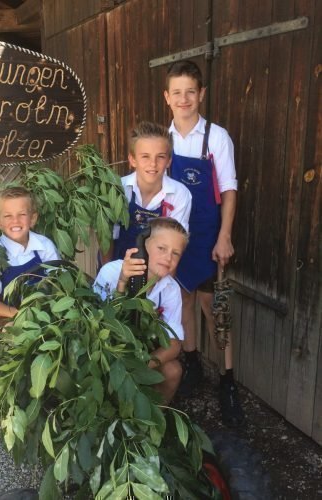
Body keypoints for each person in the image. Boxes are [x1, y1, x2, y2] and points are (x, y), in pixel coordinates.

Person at [164, 59, 244, 426]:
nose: (184, 99)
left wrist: (225, 236)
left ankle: (228, 382)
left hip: (211, 235)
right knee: (184, 301)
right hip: (179, 237)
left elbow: (228, 189)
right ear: (167, 97)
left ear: (201, 95)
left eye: (190, 92)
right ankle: (192, 364)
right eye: (177, 93)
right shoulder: (163, 140)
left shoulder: (216, 137)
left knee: (217, 309)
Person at [95, 217, 189, 404]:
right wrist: (122, 283)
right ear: (144, 247)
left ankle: (150, 425)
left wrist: (142, 366)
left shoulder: (171, 289)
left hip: (143, 354)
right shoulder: (111, 272)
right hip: (107, 350)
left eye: (176, 253)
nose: (168, 258)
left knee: (173, 370)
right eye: (162, 249)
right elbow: (99, 323)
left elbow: (174, 343)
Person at [105, 121, 192, 263]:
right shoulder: (116, 189)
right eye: (145, 156)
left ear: (169, 161)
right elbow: (106, 237)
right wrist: (107, 274)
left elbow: (174, 248)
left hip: (157, 269)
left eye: (161, 157)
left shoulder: (180, 195)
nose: (153, 164)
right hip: (116, 264)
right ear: (132, 159)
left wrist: (158, 283)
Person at [0, 186, 60, 319]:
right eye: (8, 216)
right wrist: (19, 315)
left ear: (32, 218)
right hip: (10, 316)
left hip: (46, 313)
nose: (15, 221)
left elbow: (59, 281)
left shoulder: (45, 246)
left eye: (22, 214)